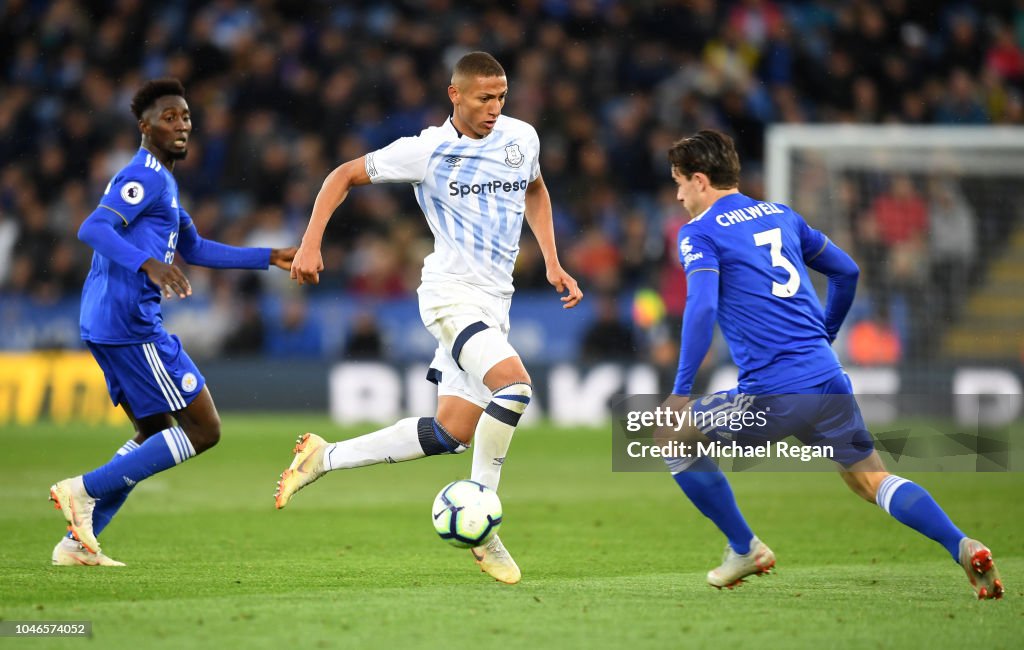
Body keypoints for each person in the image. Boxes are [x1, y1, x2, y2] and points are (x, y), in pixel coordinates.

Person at [274, 52, 583, 584]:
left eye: (501, 96)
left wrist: (553, 260)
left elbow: (534, 189)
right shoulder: (426, 151)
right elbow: (342, 175)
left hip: (496, 301)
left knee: (451, 433)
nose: (495, 107)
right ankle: (483, 518)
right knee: (515, 389)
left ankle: (323, 458)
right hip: (449, 296)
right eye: (484, 98)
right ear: (455, 95)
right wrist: (310, 243)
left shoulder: (521, 138)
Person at [658, 130, 1002, 599]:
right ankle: (961, 543)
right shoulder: (782, 215)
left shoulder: (700, 233)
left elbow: (700, 309)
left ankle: (744, 547)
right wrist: (826, 334)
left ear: (700, 180)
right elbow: (847, 271)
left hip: (774, 393)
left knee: (671, 437)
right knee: (870, 480)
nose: (678, 195)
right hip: (827, 378)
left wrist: (680, 390)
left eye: (679, 183)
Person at [48, 78, 296, 566]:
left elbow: (197, 248)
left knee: (155, 431)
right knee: (203, 429)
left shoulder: (164, 179)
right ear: (145, 127)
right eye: (169, 117)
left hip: (105, 320)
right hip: (131, 323)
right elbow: (93, 226)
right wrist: (149, 265)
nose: (181, 125)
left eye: (185, 116)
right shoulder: (146, 175)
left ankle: (80, 541)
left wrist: (271, 256)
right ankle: (83, 490)